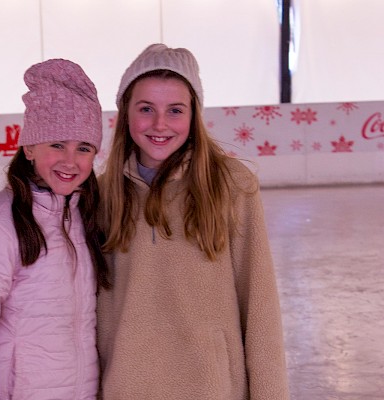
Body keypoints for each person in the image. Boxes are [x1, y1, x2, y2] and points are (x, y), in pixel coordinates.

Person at [96, 43, 290, 399]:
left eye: (175, 110)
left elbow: (260, 305)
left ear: (193, 115)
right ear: (126, 113)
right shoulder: (102, 195)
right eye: (146, 109)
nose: (159, 124)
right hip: (128, 387)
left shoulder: (231, 184)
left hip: (211, 387)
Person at [0, 58, 110, 400]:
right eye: (56, 144)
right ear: (30, 147)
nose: (70, 160)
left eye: (83, 147)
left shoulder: (87, 216)